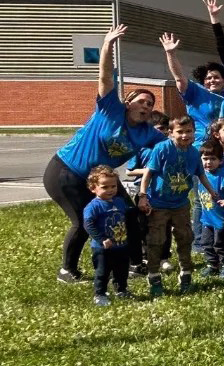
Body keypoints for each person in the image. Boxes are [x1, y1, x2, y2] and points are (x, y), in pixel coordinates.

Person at [47, 25, 165, 285]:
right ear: (128, 103)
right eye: (141, 101)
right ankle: (67, 270)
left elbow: (174, 144)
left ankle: (135, 264)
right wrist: (107, 44)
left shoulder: (147, 133)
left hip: (103, 178)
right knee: (83, 220)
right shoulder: (110, 110)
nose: (146, 106)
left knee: (130, 213)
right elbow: (105, 77)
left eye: (150, 104)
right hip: (66, 172)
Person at [137, 115, 223, 296]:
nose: (185, 135)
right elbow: (148, 173)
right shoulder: (162, 149)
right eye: (180, 132)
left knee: (185, 238)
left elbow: (201, 174)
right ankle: (154, 275)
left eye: (189, 131)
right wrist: (143, 196)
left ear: (194, 132)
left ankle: (186, 273)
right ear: (170, 133)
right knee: (156, 240)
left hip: (181, 204)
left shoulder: (194, 153)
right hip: (159, 204)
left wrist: (212, 191)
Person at [82, 165, 131, 306]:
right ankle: (100, 294)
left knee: (122, 270)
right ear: (93, 188)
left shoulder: (119, 202)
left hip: (121, 244)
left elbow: (126, 218)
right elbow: (88, 224)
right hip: (103, 248)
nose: (110, 190)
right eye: (104, 187)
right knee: (102, 272)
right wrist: (102, 239)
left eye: (113, 186)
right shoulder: (94, 206)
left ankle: (121, 290)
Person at [196, 141, 224, 278]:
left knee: (220, 244)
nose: (208, 162)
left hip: (221, 219)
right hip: (207, 218)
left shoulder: (223, 176)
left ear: (221, 161)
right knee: (206, 242)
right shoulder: (201, 174)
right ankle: (212, 264)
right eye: (205, 159)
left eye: (213, 159)